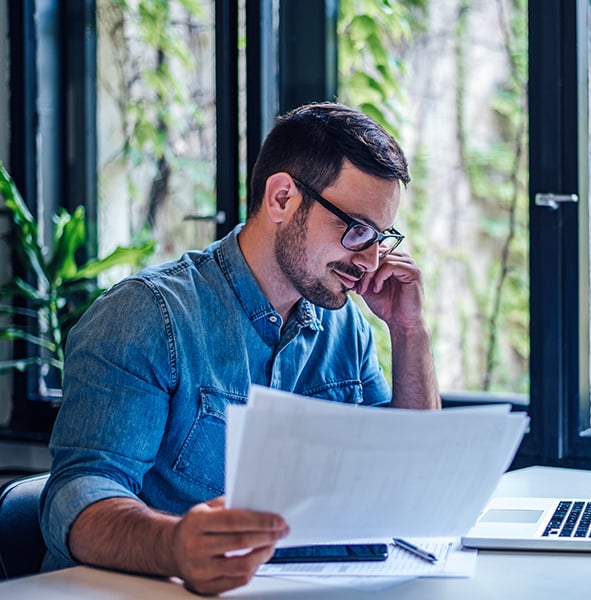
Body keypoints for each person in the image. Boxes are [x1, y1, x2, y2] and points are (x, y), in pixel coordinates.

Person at [39, 102, 440, 595]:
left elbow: (410, 481)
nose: (371, 259)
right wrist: (174, 546)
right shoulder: (148, 316)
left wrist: (409, 331)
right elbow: (77, 494)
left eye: (382, 237)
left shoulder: (346, 326)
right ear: (281, 198)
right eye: (356, 230)